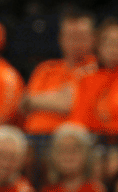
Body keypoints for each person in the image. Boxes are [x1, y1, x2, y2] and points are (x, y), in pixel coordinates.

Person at [22, 10, 97, 139]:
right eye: (71, 36)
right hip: (34, 138)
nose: (76, 42)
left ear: (93, 38)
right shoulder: (45, 68)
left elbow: (69, 103)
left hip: (72, 143)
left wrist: (38, 100)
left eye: (80, 36)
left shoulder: (97, 68)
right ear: (61, 38)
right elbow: (25, 103)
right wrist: (58, 98)